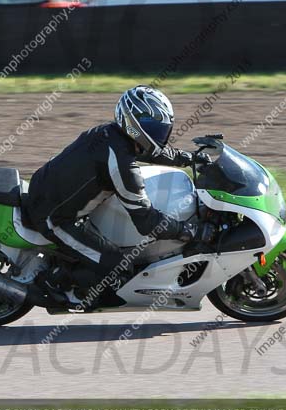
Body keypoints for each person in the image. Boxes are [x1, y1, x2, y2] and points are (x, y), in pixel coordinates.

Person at [26, 85, 215, 304]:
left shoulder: (112, 134)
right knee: (117, 266)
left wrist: (190, 158)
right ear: (133, 123)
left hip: (50, 191)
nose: (160, 134)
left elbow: (152, 151)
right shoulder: (121, 164)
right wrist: (189, 231)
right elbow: (146, 222)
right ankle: (52, 284)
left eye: (162, 128)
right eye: (153, 128)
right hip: (53, 218)